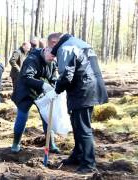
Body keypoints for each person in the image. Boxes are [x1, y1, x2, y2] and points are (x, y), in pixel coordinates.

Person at [48, 34, 108, 174]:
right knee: (76, 124)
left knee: (83, 128)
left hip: (83, 90)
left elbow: (66, 75)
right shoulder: (78, 43)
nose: (51, 51)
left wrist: (56, 90)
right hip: (88, 87)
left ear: (54, 42)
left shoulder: (66, 48)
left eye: (50, 46)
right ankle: (77, 155)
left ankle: (88, 164)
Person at [10, 33, 62, 154]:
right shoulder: (32, 59)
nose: (53, 59)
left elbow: (53, 75)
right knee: (22, 116)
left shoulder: (52, 61)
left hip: (41, 93)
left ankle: (51, 143)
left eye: (55, 57)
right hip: (25, 91)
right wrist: (43, 85)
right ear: (45, 50)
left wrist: (54, 84)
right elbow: (27, 77)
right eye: (51, 56)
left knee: (46, 117)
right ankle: (15, 143)